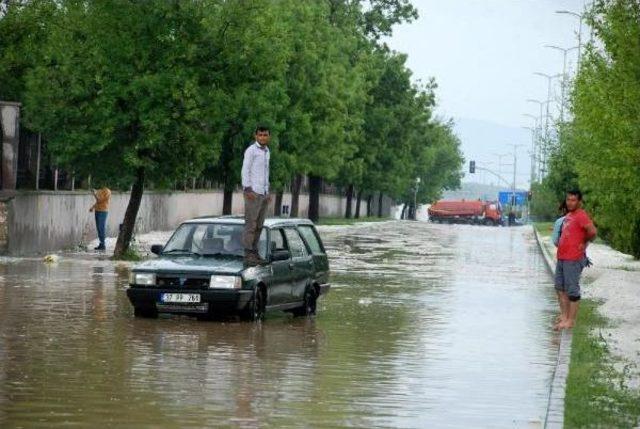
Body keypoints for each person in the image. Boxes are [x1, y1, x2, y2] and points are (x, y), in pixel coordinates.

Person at [554, 189, 597, 330]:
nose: (570, 202)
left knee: (572, 290)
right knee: (560, 288)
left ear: (579, 201)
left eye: (573, 200)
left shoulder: (581, 215)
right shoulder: (569, 215)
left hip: (573, 258)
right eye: (568, 200)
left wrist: (583, 242)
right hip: (562, 257)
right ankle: (565, 317)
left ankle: (571, 321)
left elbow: (593, 232)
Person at [241, 126, 271, 266]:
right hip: (252, 193)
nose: (263, 137)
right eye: (260, 135)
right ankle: (248, 253)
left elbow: (265, 173)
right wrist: (247, 189)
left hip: (263, 193)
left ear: (268, 137)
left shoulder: (267, 152)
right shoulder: (251, 151)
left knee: (259, 224)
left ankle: (254, 251)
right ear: (255, 136)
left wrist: (267, 191)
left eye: (265, 135)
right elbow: (245, 169)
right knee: (251, 224)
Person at [89, 186, 111, 251]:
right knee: (98, 228)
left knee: (101, 227)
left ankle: (103, 244)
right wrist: (93, 207)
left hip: (103, 211)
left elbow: (100, 200)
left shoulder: (107, 191)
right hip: (97, 210)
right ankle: (101, 244)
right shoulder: (100, 190)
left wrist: (95, 194)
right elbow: (98, 202)